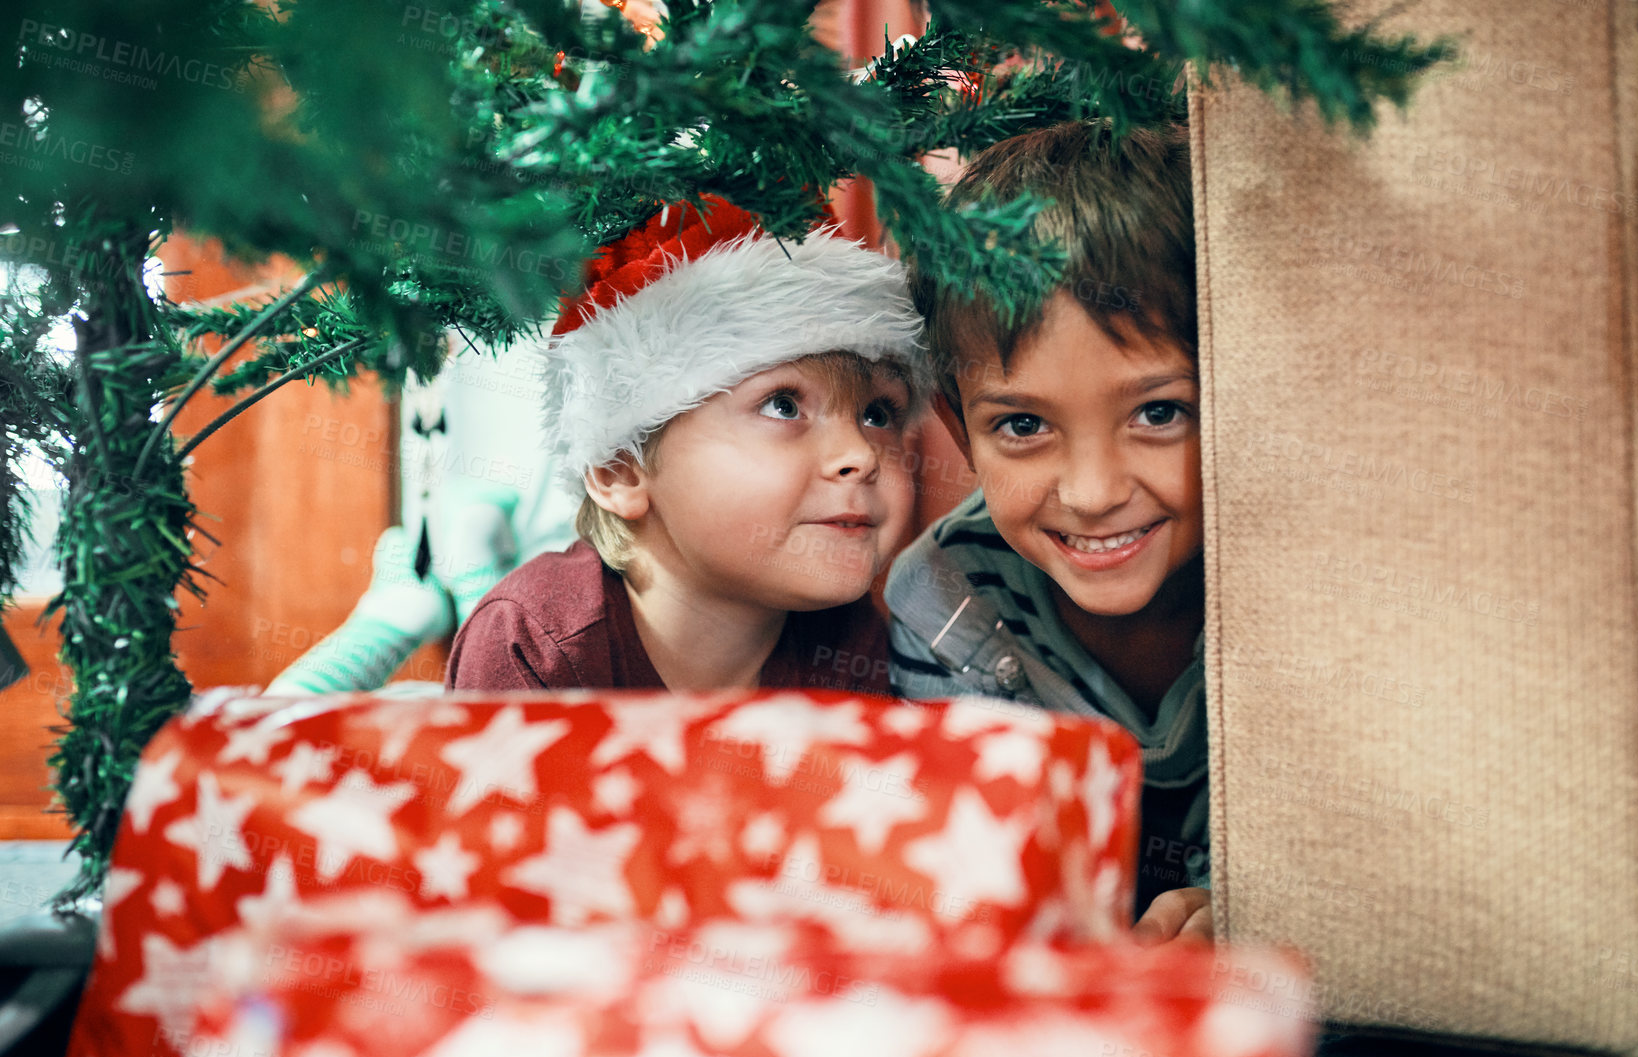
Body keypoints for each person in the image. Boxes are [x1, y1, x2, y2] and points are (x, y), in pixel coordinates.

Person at [885, 120, 1213, 943]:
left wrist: (1249, 899)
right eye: (1024, 425)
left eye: (1159, 412)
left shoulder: (1305, 573)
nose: (1093, 492)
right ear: (959, 432)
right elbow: (980, 878)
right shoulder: (948, 595)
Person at [448, 195, 927, 695]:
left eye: (877, 414)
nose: (861, 455)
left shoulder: (850, 641)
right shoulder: (532, 644)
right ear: (621, 469)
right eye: (782, 405)